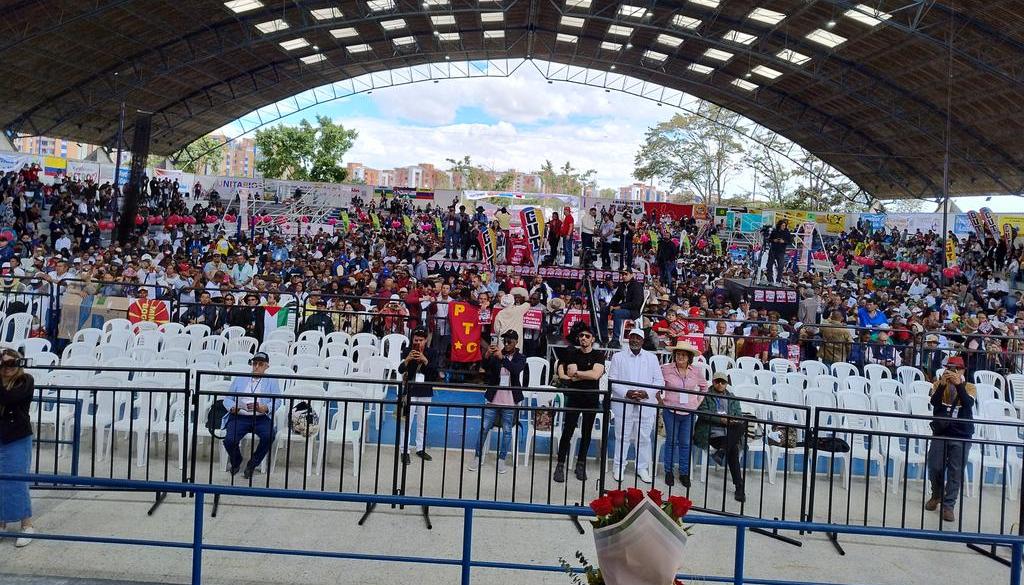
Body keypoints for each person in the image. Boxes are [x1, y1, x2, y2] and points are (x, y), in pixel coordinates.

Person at [608, 328, 665, 483]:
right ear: (628, 338)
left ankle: (641, 468)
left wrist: (646, 393)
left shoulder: (651, 358)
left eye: (638, 338)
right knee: (622, 436)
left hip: (645, 404)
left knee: (644, 438)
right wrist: (627, 393)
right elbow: (612, 380)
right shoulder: (618, 357)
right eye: (632, 337)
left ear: (642, 340)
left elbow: (659, 381)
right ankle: (619, 466)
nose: (634, 340)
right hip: (624, 403)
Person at [467, 330, 526, 474]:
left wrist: (503, 359)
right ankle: (477, 456)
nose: (506, 344)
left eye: (509, 341)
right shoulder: (497, 354)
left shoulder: (521, 357)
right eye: (504, 341)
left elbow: (516, 370)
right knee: (484, 428)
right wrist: (487, 356)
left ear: (516, 342)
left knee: (507, 432)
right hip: (493, 399)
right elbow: (485, 369)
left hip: (510, 400)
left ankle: (501, 459)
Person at [926, 356, 975, 522]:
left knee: (956, 471)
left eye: (956, 368)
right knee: (934, 466)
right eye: (950, 368)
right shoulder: (938, 384)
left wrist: (958, 385)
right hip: (941, 431)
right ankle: (936, 494)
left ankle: (949, 506)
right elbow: (934, 402)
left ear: (963, 370)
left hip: (961, 434)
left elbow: (968, 404)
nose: (953, 371)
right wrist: (943, 384)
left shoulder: (970, 387)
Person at [553, 326, 605, 483]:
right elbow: (563, 373)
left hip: (591, 398)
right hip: (574, 398)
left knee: (586, 433)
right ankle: (560, 464)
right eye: (581, 335)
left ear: (592, 339)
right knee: (567, 431)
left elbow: (596, 375)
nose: (583, 338)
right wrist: (582, 375)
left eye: (587, 336)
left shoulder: (598, 355)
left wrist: (576, 374)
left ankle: (581, 463)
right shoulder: (571, 354)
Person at [222, 352, 282, 479]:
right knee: (229, 440)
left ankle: (252, 464)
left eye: (260, 364)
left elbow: (277, 401)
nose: (256, 367)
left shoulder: (272, 381)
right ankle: (236, 461)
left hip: (260, 417)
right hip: (240, 415)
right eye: (254, 363)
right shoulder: (240, 379)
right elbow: (227, 399)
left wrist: (265, 408)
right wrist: (233, 407)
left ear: (266, 366)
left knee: (269, 435)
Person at [0, 349, 35, 547]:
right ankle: (2, 523)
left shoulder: (26, 380)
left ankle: (26, 524)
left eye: (12, 364)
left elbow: (9, 399)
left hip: (17, 436)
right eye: (3, 364)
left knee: (17, 480)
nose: (7, 369)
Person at [693, 372, 746, 503]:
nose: (720, 384)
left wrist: (733, 420)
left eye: (723, 382)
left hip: (729, 433)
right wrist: (721, 420)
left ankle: (721, 452)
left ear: (727, 384)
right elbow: (703, 413)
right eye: (717, 382)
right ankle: (739, 487)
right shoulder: (706, 396)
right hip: (712, 433)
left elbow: (739, 413)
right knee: (733, 449)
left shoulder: (732, 397)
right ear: (713, 382)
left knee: (742, 425)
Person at [658, 341, 705, 488]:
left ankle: (684, 473)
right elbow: (656, 385)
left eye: (684, 354)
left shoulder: (696, 371)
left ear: (689, 357)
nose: (681, 357)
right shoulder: (665, 369)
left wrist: (697, 403)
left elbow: (704, 388)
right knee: (671, 442)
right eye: (678, 354)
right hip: (670, 410)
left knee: (685, 443)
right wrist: (660, 401)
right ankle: (669, 472)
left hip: (689, 412)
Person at [398, 327, 438, 464]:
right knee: (406, 423)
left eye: (421, 340)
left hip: (425, 391)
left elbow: (435, 373)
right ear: (412, 339)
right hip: (410, 391)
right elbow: (400, 369)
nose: (419, 342)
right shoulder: (407, 350)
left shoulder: (432, 353)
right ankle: (404, 450)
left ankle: (420, 448)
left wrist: (425, 360)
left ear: (426, 340)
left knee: (422, 422)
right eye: (416, 340)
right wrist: (407, 360)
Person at [608, 270, 644, 348]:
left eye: (625, 274)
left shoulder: (637, 286)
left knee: (617, 313)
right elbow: (615, 298)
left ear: (632, 275)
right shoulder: (622, 285)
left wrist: (620, 306)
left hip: (633, 311)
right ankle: (602, 337)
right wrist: (611, 305)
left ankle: (615, 340)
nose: (623, 276)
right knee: (604, 310)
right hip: (624, 308)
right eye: (622, 274)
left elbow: (636, 304)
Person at [765, 219, 792, 284]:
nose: (784, 227)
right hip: (773, 250)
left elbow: (790, 241)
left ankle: (778, 280)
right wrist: (774, 240)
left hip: (781, 251)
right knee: (769, 265)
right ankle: (770, 280)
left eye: (784, 226)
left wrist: (784, 241)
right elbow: (769, 239)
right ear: (779, 225)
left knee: (781, 266)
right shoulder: (774, 231)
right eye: (782, 225)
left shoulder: (787, 232)